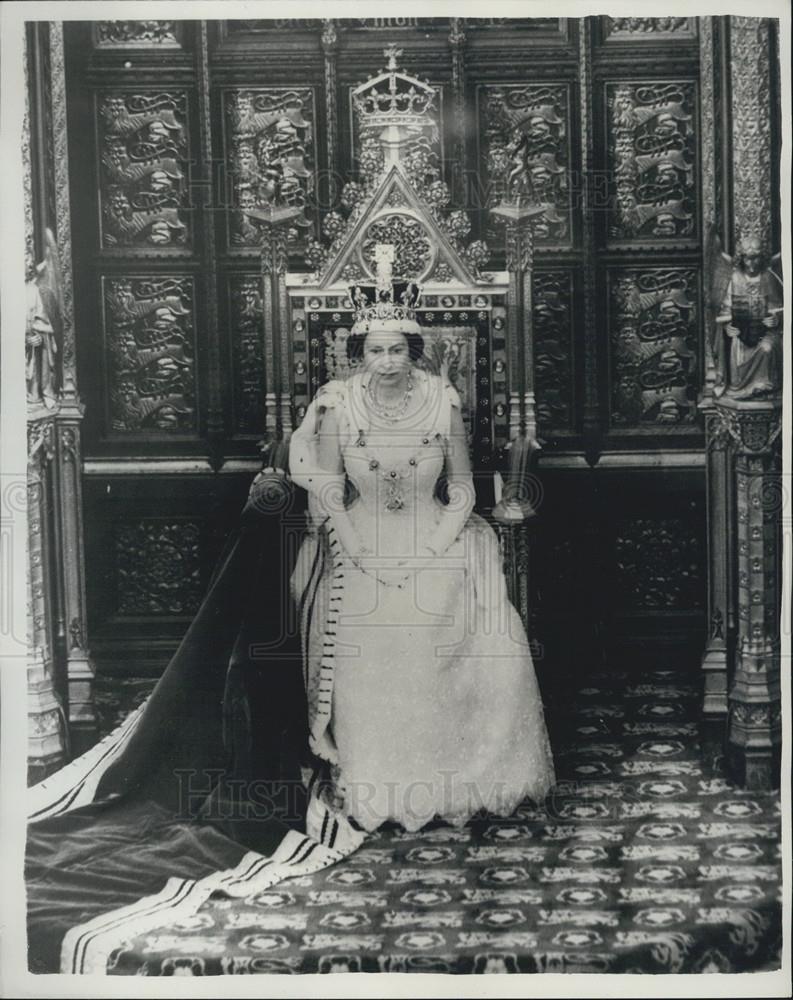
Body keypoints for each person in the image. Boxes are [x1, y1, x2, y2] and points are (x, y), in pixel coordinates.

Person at [288, 283, 556, 833]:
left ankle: (456, 778)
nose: (386, 362)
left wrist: (433, 549)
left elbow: (463, 489)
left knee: (445, 606)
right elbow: (330, 489)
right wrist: (357, 548)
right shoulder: (338, 403)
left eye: (397, 350)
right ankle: (378, 782)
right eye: (374, 351)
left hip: (434, 533)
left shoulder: (441, 398)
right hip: (360, 537)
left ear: (414, 350)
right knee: (370, 619)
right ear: (358, 355)